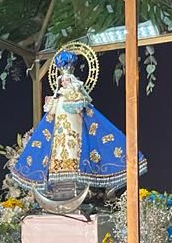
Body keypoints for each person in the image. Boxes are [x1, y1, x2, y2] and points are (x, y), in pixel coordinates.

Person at [9, 49, 146, 197]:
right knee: (58, 151)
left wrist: (75, 100)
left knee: (75, 148)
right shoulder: (58, 97)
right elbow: (50, 114)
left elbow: (82, 108)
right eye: (62, 81)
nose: (64, 83)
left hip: (75, 130)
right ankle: (59, 181)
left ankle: (79, 178)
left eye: (67, 80)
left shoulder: (77, 95)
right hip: (59, 133)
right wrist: (51, 103)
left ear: (72, 80)